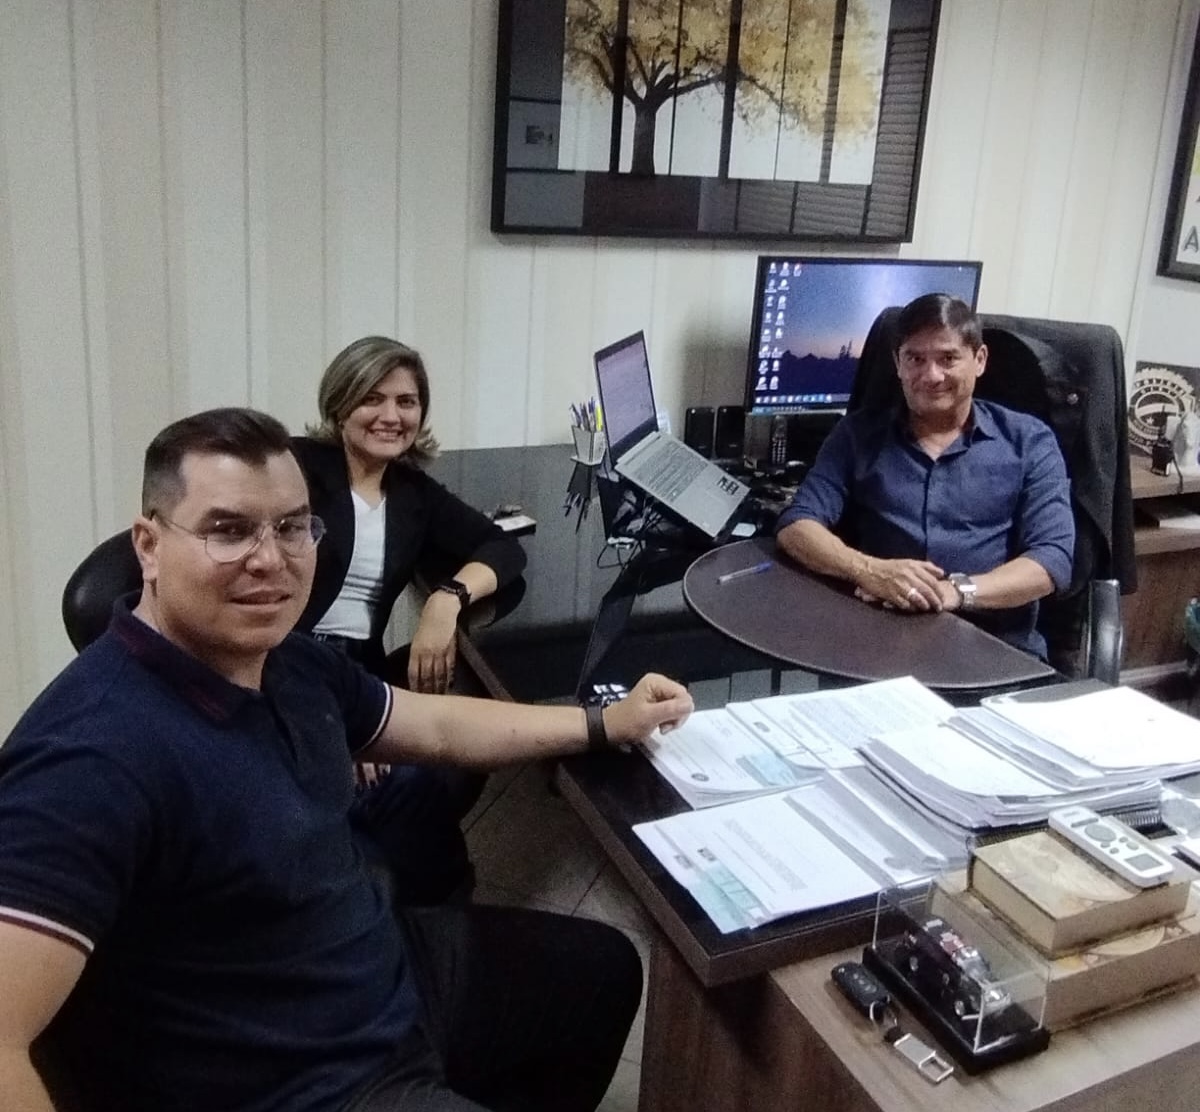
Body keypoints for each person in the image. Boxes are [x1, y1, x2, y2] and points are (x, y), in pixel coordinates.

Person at [0, 407, 692, 1112]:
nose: (270, 559)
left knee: (602, 970)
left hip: (377, 973)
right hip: (303, 1081)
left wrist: (603, 723)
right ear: (149, 546)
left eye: (291, 526)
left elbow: (438, 727)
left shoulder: (283, 659)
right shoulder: (89, 756)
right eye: (228, 530)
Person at [292, 337, 527, 903]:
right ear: (340, 403)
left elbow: (502, 548)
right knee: (411, 784)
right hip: (291, 667)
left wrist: (446, 600)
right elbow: (266, 627)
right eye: (372, 398)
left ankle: (422, 904)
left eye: (407, 401)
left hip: (359, 667)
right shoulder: (295, 470)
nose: (391, 416)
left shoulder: (409, 491)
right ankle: (429, 910)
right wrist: (347, 724)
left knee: (464, 724)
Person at [775, 293, 1074, 658]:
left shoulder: (1030, 441)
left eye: (948, 358)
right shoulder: (857, 434)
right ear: (897, 364)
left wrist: (955, 592)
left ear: (979, 360)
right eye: (915, 359)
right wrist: (869, 570)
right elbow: (796, 525)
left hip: (992, 647)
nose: (931, 376)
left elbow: (1052, 560)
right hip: (876, 640)